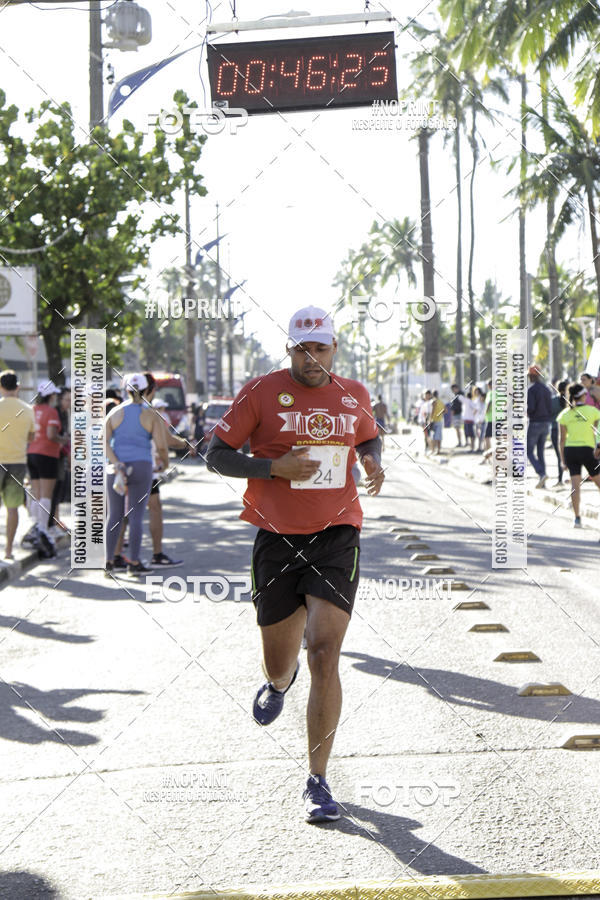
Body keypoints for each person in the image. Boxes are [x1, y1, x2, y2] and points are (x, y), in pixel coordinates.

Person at [206, 305, 384, 824]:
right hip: (277, 539)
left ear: (334, 348)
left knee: (325, 653)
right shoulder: (261, 391)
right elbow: (215, 452)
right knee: (281, 663)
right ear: (289, 350)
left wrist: (371, 459)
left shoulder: (354, 393)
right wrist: (271, 467)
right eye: (303, 349)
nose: (312, 358)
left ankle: (317, 780)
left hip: (337, 534)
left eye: (321, 348)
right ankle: (279, 684)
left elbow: (367, 434)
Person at [105, 373, 168, 577]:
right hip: (142, 467)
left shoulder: (114, 412)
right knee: (136, 516)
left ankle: (108, 563)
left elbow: (103, 442)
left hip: (116, 468)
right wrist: (164, 464)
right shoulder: (151, 415)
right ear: (146, 390)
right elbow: (161, 446)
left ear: (126, 390)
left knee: (114, 514)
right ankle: (133, 562)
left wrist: (116, 463)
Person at [26, 380, 68, 554]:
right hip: (47, 454)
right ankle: (43, 529)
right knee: (46, 495)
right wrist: (63, 439)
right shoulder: (51, 412)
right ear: (51, 396)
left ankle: (37, 526)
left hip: (32, 453)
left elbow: (28, 434)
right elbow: (51, 435)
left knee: (37, 493)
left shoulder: (31, 410)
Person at [0, 370, 35, 560]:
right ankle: (8, 551)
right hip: (18, 462)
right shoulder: (27, 409)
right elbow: (32, 436)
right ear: (18, 387)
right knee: (12, 508)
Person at [557, 382, 600, 527]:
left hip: (571, 451)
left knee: (575, 486)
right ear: (583, 395)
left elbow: (561, 440)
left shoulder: (564, 414)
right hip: (588, 451)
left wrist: (563, 461)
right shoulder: (593, 411)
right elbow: (596, 431)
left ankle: (577, 519)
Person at [48, 387, 71, 534]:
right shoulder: (55, 412)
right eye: (67, 399)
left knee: (59, 489)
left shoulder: (65, 413)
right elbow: (56, 436)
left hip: (62, 455)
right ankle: (51, 523)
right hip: (53, 455)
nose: (70, 402)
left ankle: (56, 520)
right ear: (59, 399)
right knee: (54, 490)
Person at [527, 365, 553, 488]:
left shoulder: (531, 390)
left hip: (535, 423)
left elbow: (531, 408)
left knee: (529, 451)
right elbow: (550, 408)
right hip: (546, 423)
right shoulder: (546, 389)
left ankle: (541, 473)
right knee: (540, 452)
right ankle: (543, 481)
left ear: (532, 376)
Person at [550, 380, 568, 486]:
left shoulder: (553, 401)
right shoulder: (569, 401)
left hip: (554, 429)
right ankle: (571, 478)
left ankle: (560, 479)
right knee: (569, 455)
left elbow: (548, 413)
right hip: (568, 430)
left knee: (559, 456)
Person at [427, 390, 446, 455]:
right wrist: (440, 414)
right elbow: (445, 410)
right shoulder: (441, 402)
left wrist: (430, 419)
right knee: (439, 437)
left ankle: (433, 450)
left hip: (434, 421)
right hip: (440, 421)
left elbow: (433, 410)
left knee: (433, 437)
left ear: (432, 394)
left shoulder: (434, 401)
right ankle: (438, 450)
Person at [472, 386, 486, 452]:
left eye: (477, 391)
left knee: (482, 435)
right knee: (478, 435)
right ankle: (480, 447)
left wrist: (481, 419)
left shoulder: (481, 399)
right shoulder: (475, 399)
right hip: (476, 419)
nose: (476, 392)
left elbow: (481, 409)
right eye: (475, 391)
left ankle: (482, 447)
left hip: (481, 419)